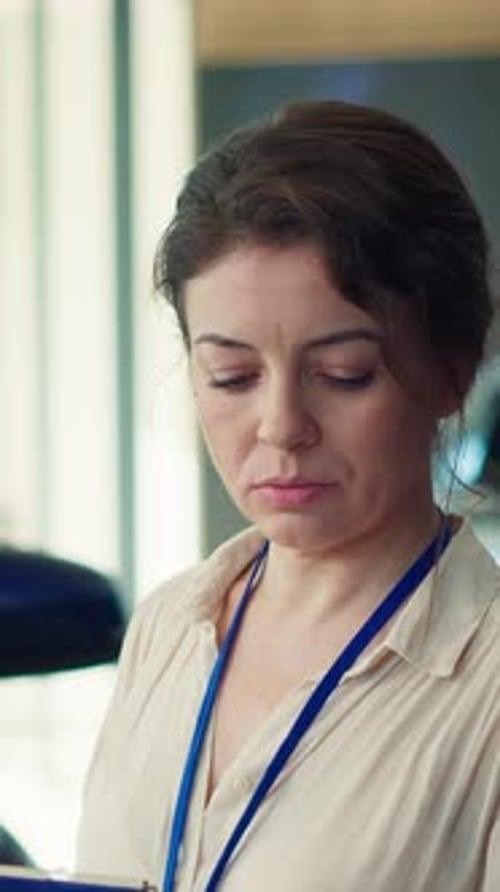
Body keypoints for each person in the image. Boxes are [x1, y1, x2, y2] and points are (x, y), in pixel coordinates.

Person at [76, 100, 500, 891]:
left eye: (343, 374)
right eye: (231, 376)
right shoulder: (170, 627)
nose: (281, 427)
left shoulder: (485, 685)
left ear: (453, 367)